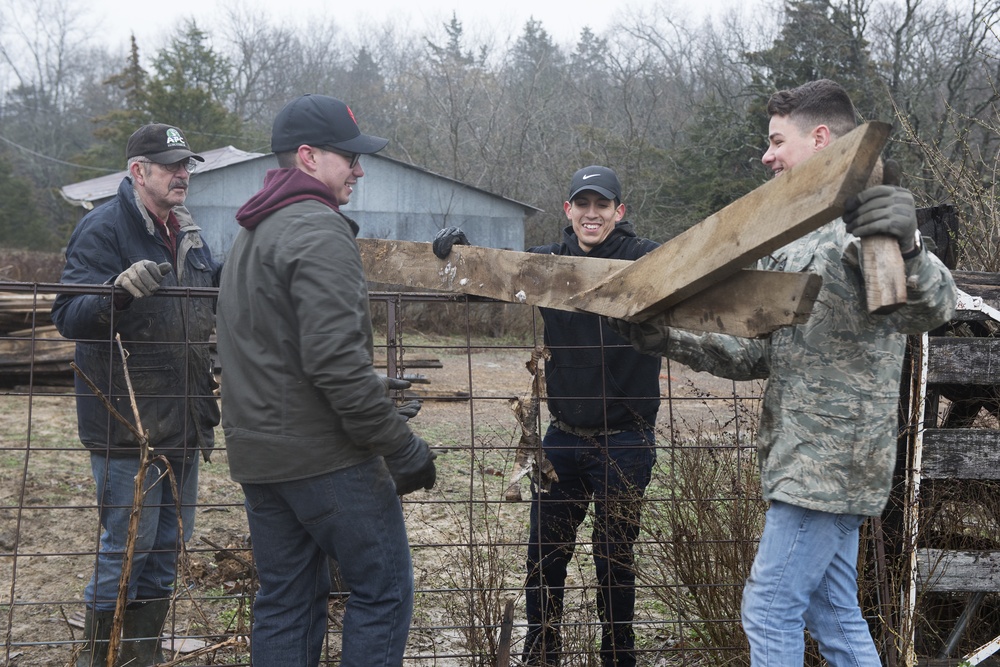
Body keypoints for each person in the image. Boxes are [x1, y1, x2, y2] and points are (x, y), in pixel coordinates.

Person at [611, 79, 957, 665]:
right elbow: (756, 353)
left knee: (770, 607)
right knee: (832, 608)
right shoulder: (793, 232)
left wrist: (911, 247)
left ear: (820, 138)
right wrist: (664, 337)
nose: (767, 155)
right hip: (803, 457)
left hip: (828, 461)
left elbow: (932, 309)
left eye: (777, 140)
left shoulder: (861, 217)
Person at [215, 94, 436, 667]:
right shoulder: (318, 230)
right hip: (325, 459)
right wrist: (401, 446)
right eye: (350, 158)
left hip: (260, 458)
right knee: (382, 591)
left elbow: (272, 352)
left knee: (287, 600)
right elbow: (335, 364)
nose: (359, 170)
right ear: (309, 157)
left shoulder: (251, 233)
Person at [433, 166, 662, 667]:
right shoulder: (549, 261)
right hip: (562, 439)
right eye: (582, 204)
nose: (591, 214)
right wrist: (461, 252)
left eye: (602, 205)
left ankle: (618, 655)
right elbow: (486, 283)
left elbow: (695, 270)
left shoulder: (643, 257)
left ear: (618, 212)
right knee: (544, 556)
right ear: (568, 211)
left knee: (614, 559)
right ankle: (542, 654)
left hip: (626, 439)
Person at [51, 123, 221, 667]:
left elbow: (209, 302)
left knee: (166, 551)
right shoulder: (103, 229)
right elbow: (67, 317)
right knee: (126, 550)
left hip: (185, 419)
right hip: (128, 426)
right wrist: (114, 294)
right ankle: (100, 659)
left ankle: (139, 658)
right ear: (137, 171)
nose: (182, 174)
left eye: (186, 165)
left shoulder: (189, 233)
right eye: (170, 165)